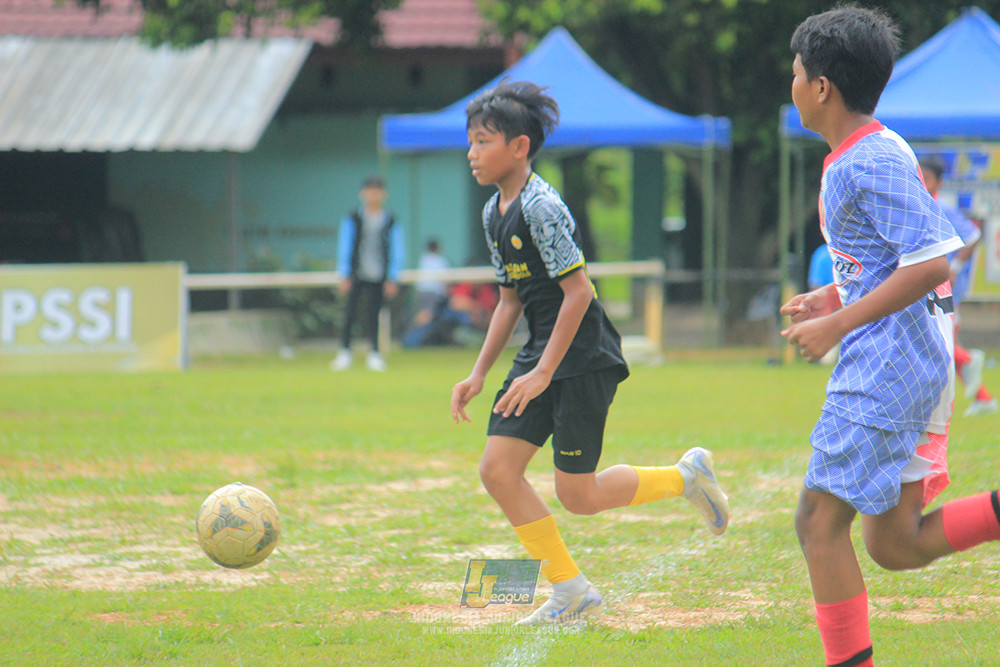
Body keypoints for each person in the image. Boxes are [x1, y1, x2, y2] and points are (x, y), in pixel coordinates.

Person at [450, 80, 730, 626]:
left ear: (520, 146)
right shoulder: (493, 213)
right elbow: (510, 300)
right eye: (470, 142)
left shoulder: (542, 205)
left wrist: (544, 372)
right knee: (498, 470)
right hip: (542, 352)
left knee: (578, 495)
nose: (471, 153)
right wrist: (478, 373)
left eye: (483, 141)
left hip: (583, 355)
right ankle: (572, 591)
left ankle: (685, 476)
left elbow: (579, 294)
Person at [781, 8, 1000, 666]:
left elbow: (934, 261)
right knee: (894, 543)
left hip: (887, 363)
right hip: (913, 356)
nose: (789, 85)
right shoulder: (872, 149)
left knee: (819, 525)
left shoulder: (867, 160)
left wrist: (838, 322)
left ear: (822, 87)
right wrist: (836, 291)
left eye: (794, 73)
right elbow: (894, 257)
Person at [918, 155, 997, 417]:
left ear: (939, 183)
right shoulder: (921, 205)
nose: (921, 181)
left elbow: (973, 235)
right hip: (930, 286)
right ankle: (983, 399)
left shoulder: (942, 209)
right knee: (938, 343)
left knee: (937, 343)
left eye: (926, 177)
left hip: (944, 288)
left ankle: (966, 358)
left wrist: (954, 268)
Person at [332, 175, 405, 372]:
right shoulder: (353, 218)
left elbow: (397, 249)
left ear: (383, 194)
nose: (373, 195)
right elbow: (345, 246)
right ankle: (344, 352)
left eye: (377, 191)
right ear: (363, 194)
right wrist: (344, 273)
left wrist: (392, 277)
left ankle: (374, 353)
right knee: (350, 313)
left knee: (374, 314)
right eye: (370, 191)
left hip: (379, 275)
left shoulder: (390, 220)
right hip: (357, 273)